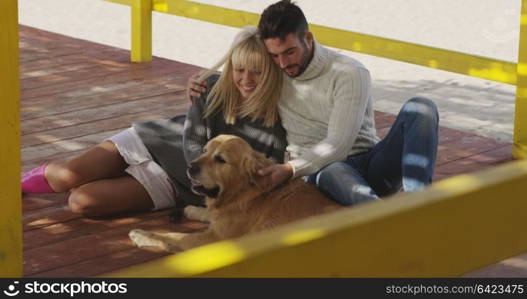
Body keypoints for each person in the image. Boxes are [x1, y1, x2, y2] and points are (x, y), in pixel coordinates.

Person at [190, 0, 439, 206]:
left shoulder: (349, 72)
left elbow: (339, 144)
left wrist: (288, 169)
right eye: (274, 55)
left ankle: (419, 204)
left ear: (308, 38)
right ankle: (387, 219)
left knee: (422, 107)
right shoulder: (276, 70)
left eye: (289, 51)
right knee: (333, 171)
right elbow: (243, 71)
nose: (283, 63)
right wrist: (202, 82)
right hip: (321, 173)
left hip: (369, 162)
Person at [21, 26, 287, 217]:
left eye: (257, 72)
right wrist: (201, 172)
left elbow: (262, 177)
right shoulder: (210, 86)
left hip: (177, 184)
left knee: (81, 201)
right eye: (239, 70)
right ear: (231, 67)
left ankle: (110, 178)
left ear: (272, 72)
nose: (246, 79)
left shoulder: (281, 120)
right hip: (153, 142)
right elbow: (192, 142)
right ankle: (12, 185)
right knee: (68, 175)